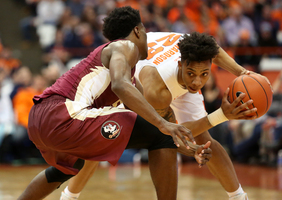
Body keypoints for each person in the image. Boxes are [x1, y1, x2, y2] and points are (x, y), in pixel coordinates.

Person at [17, 7, 215, 200]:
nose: (147, 38)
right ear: (137, 30)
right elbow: (121, 86)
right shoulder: (124, 46)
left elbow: (158, 130)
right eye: (145, 31)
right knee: (158, 131)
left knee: (69, 167)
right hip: (63, 113)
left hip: (40, 121)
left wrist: (191, 149)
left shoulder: (128, 79)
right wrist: (163, 124)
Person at [60, 32, 262, 200]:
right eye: (191, 73)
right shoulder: (157, 91)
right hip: (135, 83)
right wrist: (221, 115)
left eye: (204, 74)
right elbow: (170, 135)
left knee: (205, 139)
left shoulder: (195, 47)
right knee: (100, 144)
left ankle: (238, 197)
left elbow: (214, 50)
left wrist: (243, 72)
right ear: (181, 64)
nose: (198, 82)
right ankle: (68, 197)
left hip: (165, 68)